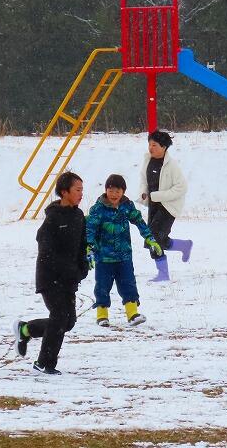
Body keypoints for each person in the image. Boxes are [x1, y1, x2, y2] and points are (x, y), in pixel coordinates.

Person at [13, 171, 89, 375]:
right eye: (77, 190)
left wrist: (82, 267)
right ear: (64, 192)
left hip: (69, 279)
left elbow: (82, 245)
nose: (81, 194)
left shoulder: (79, 216)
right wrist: (64, 269)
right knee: (59, 316)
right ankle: (44, 363)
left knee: (68, 322)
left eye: (82, 190)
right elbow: (45, 249)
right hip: (50, 278)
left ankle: (25, 330)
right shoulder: (53, 217)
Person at [86, 174, 162, 328]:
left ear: (123, 192)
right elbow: (90, 229)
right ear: (106, 190)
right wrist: (89, 247)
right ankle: (102, 315)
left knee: (128, 284)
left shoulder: (127, 206)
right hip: (104, 257)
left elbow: (139, 222)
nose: (114, 194)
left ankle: (132, 314)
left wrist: (150, 238)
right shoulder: (98, 209)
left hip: (124, 256)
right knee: (102, 287)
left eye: (118, 191)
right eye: (111, 190)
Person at [138, 130, 192, 282]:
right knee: (156, 239)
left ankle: (163, 274)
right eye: (149, 144)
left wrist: (157, 196)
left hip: (169, 207)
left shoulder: (171, 165)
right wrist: (143, 193)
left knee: (153, 239)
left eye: (154, 145)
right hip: (153, 205)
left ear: (164, 147)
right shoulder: (147, 160)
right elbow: (143, 180)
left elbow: (182, 187)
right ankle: (184, 246)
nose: (151, 148)